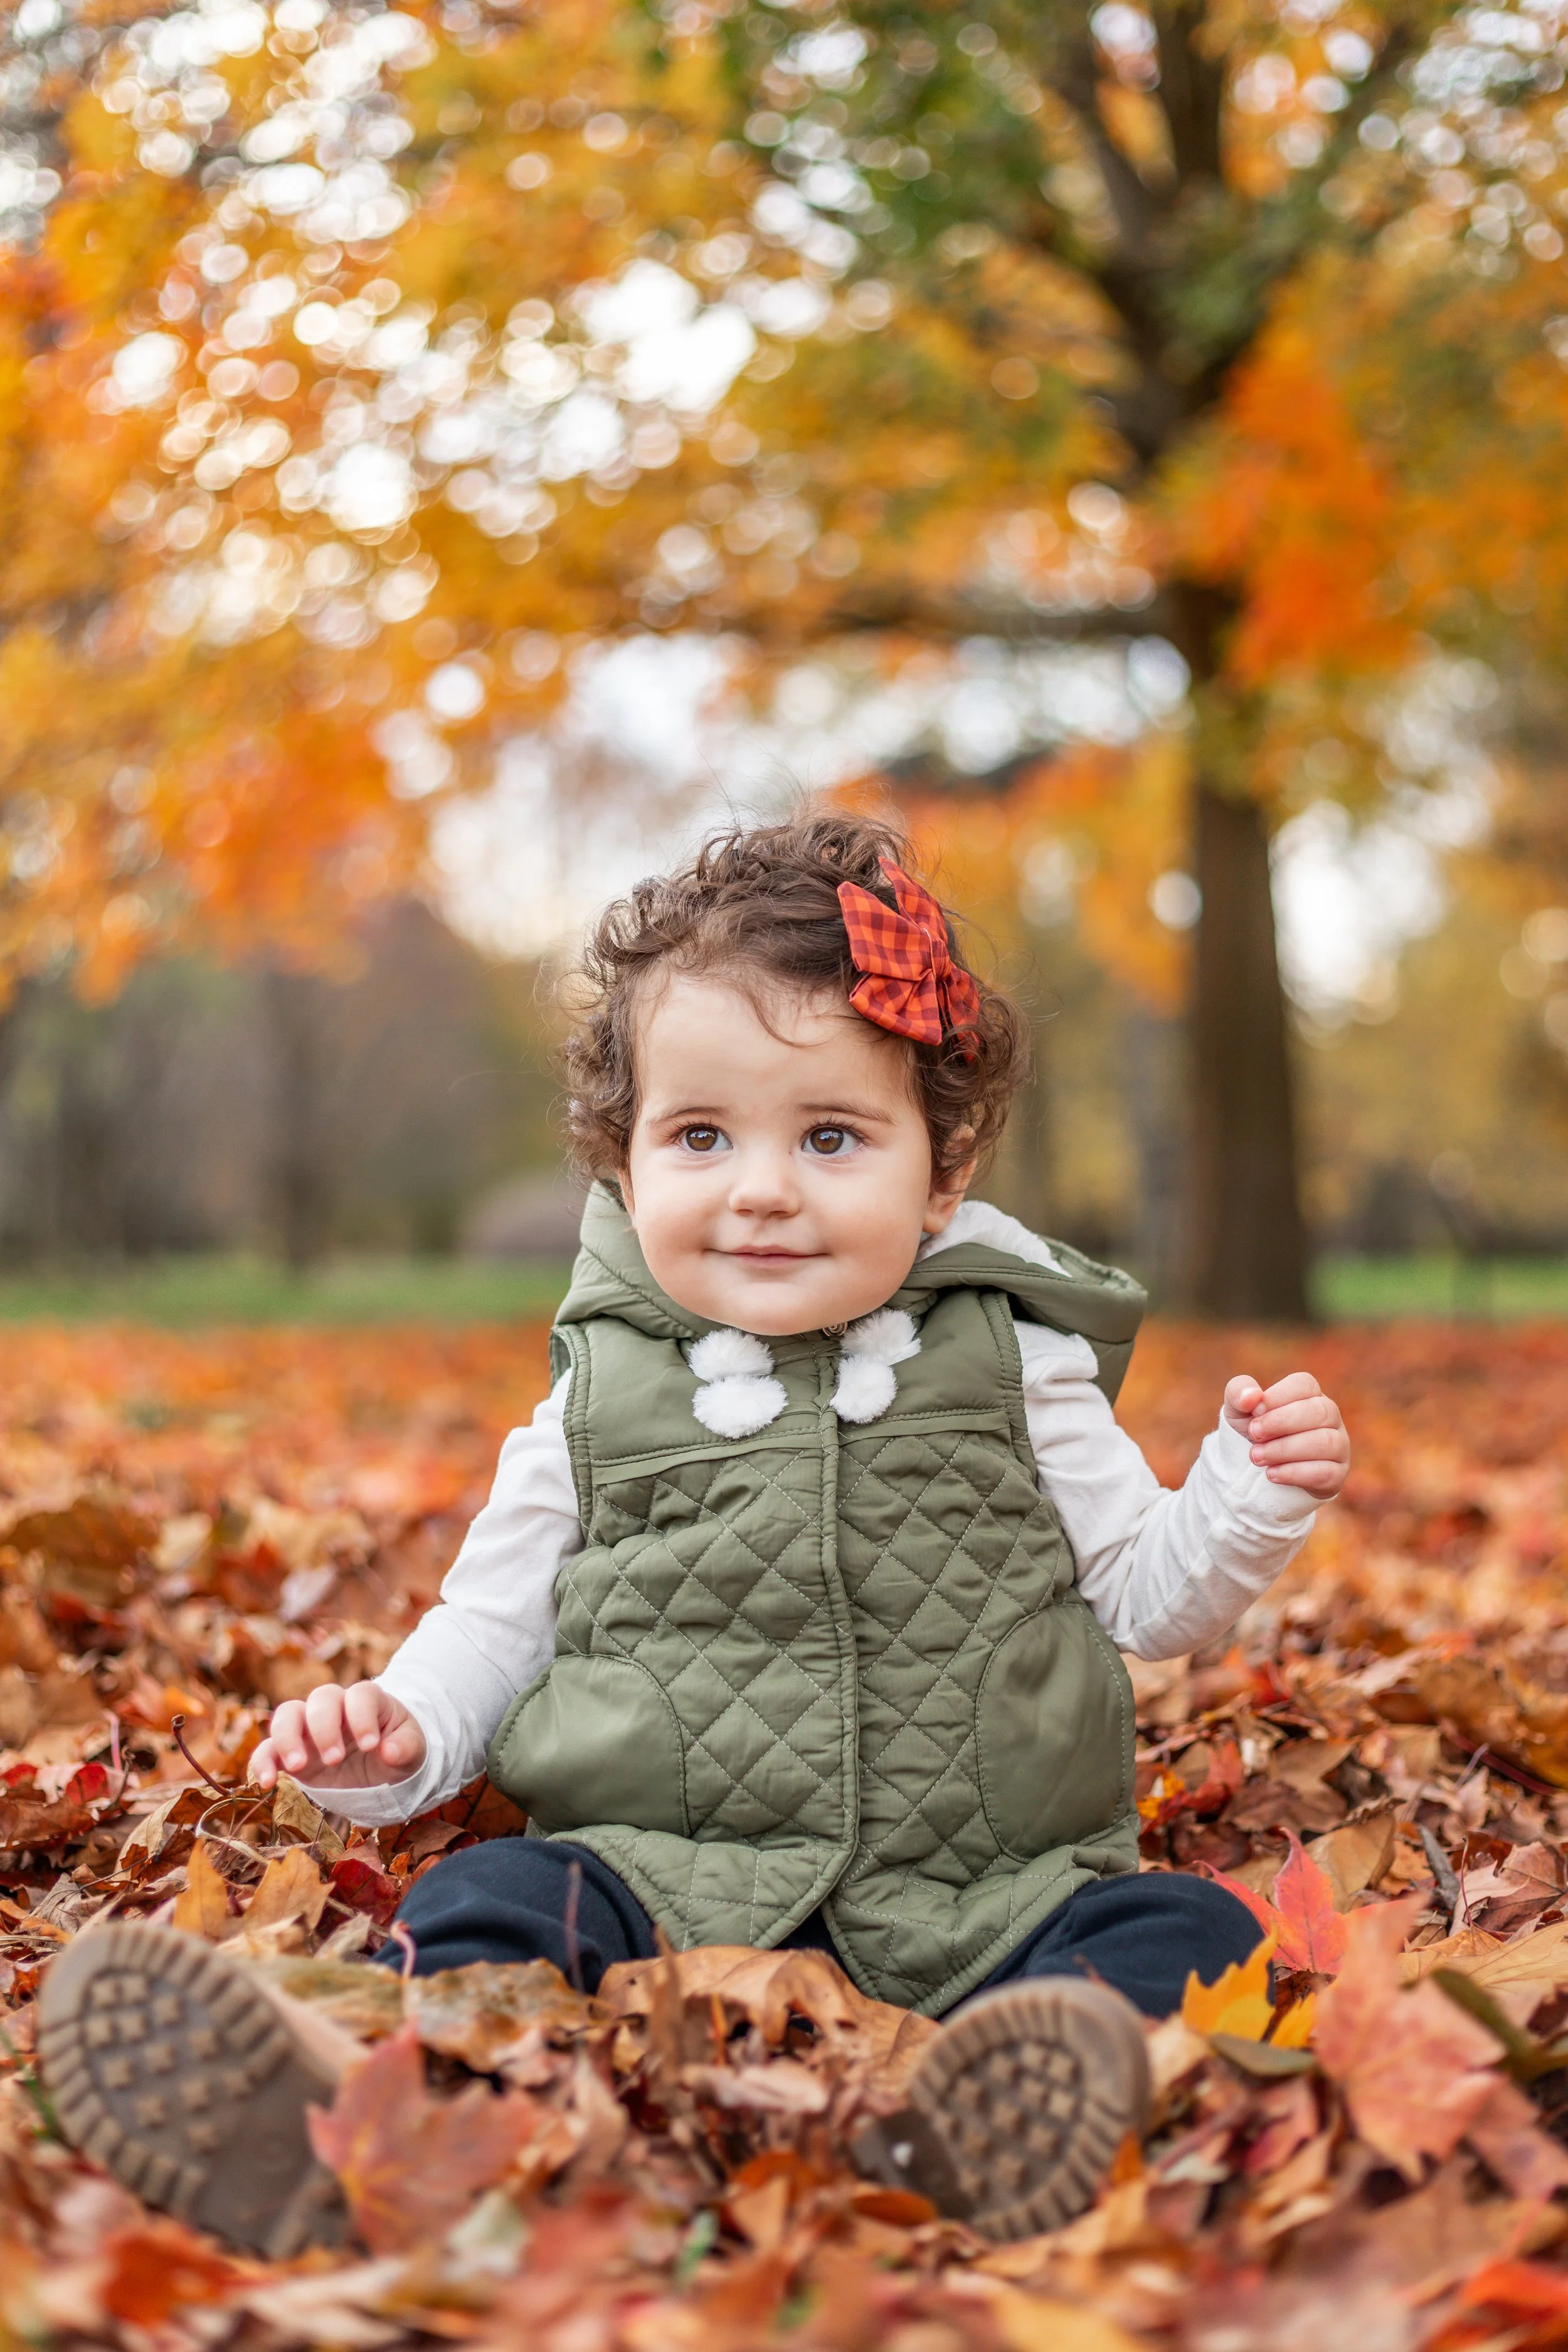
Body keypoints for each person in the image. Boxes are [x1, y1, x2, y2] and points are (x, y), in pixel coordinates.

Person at [40, 813, 1350, 2256]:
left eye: (832, 1136)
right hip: (656, 1871)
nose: (762, 1187)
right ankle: (400, 2125)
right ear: (623, 1161)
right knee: (490, 1899)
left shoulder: (1015, 1363)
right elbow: (492, 1629)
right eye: (701, 1136)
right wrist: (400, 1735)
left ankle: (978, 2133)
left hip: (986, 1893)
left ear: (942, 1164)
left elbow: (1145, 1599)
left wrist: (1242, 1495)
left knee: (1191, 1934)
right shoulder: (590, 1404)